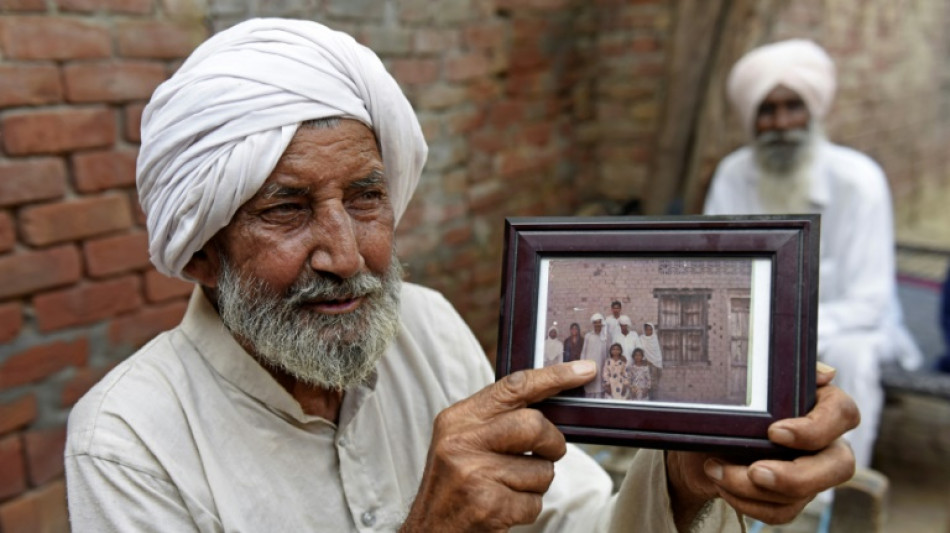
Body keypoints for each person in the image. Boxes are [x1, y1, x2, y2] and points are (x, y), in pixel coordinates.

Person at [64, 19, 858, 532]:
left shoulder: (426, 324)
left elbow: (573, 519)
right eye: (286, 209)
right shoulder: (129, 442)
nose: (347, 254)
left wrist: (685, 479)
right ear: (200, 251)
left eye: (366, 197)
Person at [703, 38, 920, 469]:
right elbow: (718, 272)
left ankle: (840, 481)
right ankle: (735, 468)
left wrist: (787, 335)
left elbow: (869, 303)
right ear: (752, 119)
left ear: (814, 111)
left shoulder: (859, 181)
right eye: (767, 110)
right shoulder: (732, 175)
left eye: (794, 107)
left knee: (852, 358)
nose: (782, 124)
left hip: (847, 329)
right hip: (754, 324)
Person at [580, 313, 609, 399]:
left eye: (599, 322)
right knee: (589, 389)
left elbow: (608, 353)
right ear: (593, 324)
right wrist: (583, 366)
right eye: (595, 322)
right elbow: (583, 352)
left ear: (601, 323)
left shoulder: (605, 337)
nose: (597, 324)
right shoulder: (588, 336)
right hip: (590, 367)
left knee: (600, 390)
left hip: (601, 367)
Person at [641, 322, 663, 397]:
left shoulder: (654, 338)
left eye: (650, 330)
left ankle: (654, 399)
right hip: (645, 363)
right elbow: (640, 350)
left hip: (655, 364)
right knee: (645, 383)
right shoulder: (641, 338)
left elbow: (657, 353)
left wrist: (657, 363)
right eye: (647, 330)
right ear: (644, 330)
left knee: (654, 384)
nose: (649, 331)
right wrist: (645, 359)